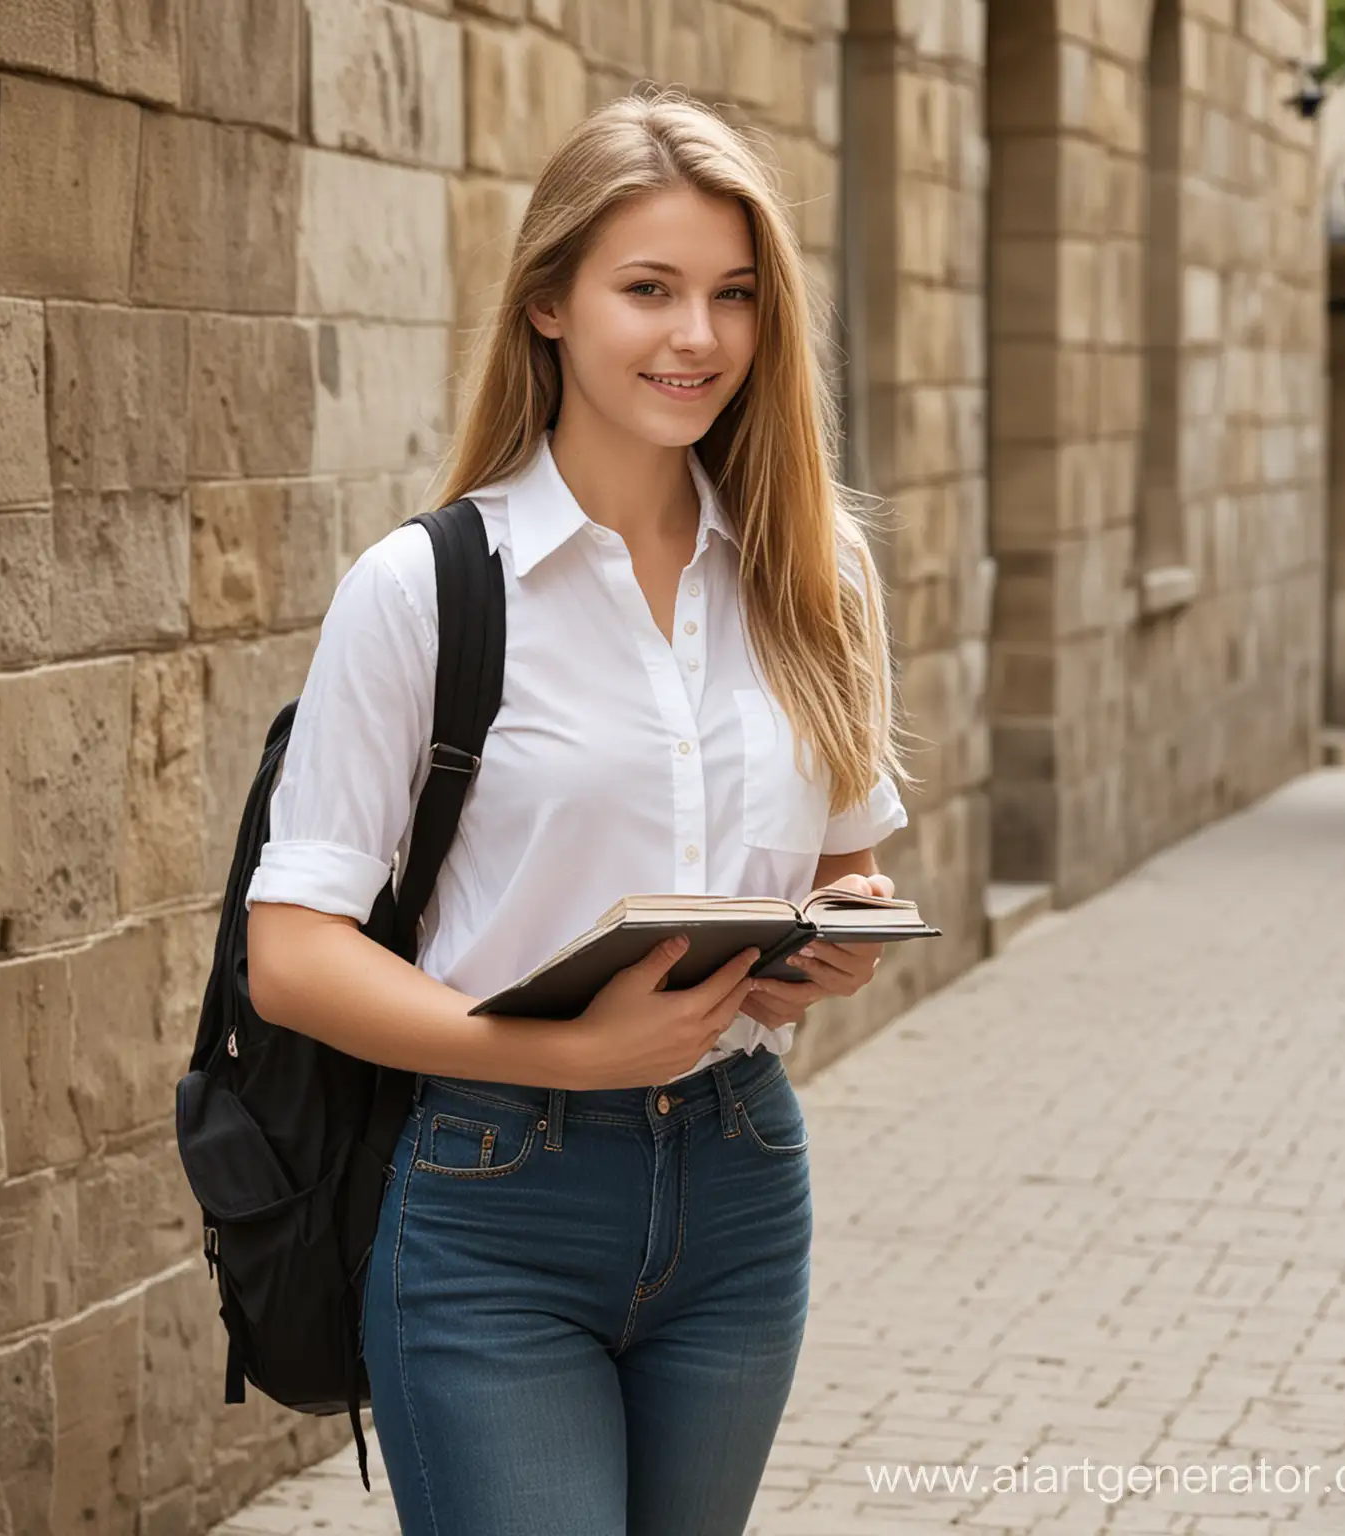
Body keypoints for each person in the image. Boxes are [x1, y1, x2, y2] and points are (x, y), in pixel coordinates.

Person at [243, 87, 910, 1536]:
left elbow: (844, 860)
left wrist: (835, 937)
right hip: (496, 1197)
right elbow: (290, 955)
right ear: (548, 302)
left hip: (741, 1183)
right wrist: (563, 1048)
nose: (699, 338)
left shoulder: (816, 575)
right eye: (649, 290)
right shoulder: (424, 588)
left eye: (735, 296)